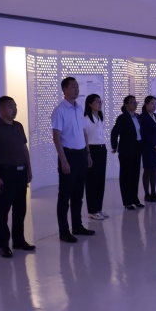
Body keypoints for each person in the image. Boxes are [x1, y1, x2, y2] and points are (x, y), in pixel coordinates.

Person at [0, 96, 36, 258]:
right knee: (3, 211)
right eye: (10, 107)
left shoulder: (18, 126)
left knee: (20, 209)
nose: (14, 110)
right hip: (6, 173)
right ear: (0, 109)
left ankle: (19, 240)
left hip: (21, 172)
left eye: (15, 106)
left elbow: (24, 148)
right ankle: (3, 245)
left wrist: (29, 169)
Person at [51, 77, 95, 242]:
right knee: (65, 196)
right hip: (68, 155)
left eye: (77, 86)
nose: (76, 89)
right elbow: (56, 137)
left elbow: (83, 132)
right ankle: (64, 231)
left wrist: (88, 153)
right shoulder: (60, 110)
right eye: (73, 86)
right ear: (64, 90)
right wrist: (63, 160)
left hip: (81, 154)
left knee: (78, 194)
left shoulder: (79, 108)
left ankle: (77, 226)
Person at [110, 95, 144, 210]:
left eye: (135, 102)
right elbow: (114, 132)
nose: (134, 104)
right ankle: (127, 201)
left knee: (135, 175)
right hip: (126, 150)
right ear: (126, 105)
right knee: (126, 176)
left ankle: (135, 199)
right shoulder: (122, 118)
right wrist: (114, 145)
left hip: (137, 149)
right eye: (132, 102)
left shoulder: (138, 117)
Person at [83, 94, 110, 220]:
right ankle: (92, 211)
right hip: (92, 150)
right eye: (97, 102)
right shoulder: (86, 119)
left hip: (101, 149)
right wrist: (88, 154)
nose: (100, 104)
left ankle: (98, 208)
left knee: (100, 180)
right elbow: (85, 139)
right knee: (91, 181)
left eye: (100, 101)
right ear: (90, 104)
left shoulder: (100, 117)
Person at [139, 95, 156, 202]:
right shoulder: (142, 117)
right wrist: (154, 145)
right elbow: (144, 134)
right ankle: (147, 194)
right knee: (148, 170)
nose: (154, 106)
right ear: (146, 105)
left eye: (155, 104)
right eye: (152, 103)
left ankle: (153, 192)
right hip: (148, 147)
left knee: (154, 170)